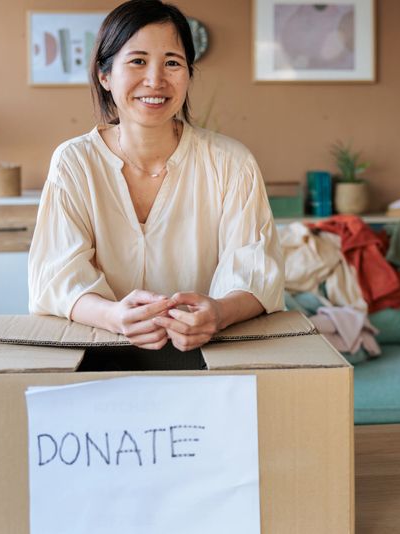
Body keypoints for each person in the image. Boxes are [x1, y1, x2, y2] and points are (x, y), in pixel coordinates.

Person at [28, 0, 284, 353]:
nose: (155, 80)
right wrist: (113, 316)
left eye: (172, 63)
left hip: (211, 355)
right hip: (100, 352)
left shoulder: (231, 163)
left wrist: (219, 313)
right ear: (105, 75)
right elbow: (56, 279)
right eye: (137, 61)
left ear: (189, 74)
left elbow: (258, 275)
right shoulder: (74, 163)